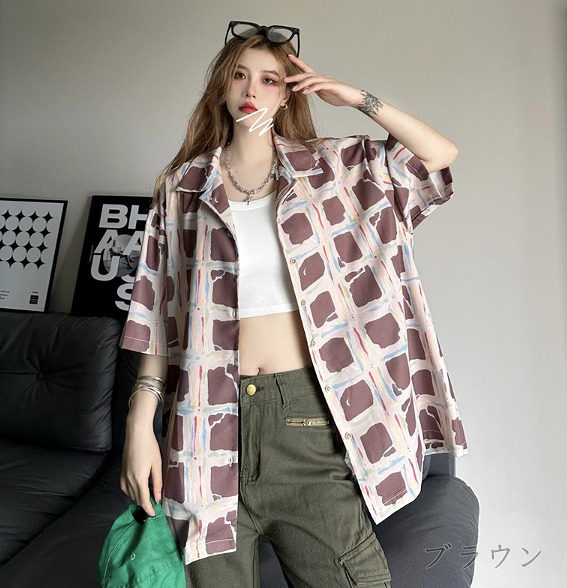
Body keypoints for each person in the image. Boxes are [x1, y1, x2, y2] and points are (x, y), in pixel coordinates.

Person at [119, 20, 468, 588]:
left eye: (269, 79)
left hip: (306, 416)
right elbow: (159, 311)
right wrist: (141, 422)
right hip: (206, 419)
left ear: (288, 94)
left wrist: (357, 98)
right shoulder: (182, 186)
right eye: (239, 75)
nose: (251, 89)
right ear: (222, 86)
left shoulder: (332, 169)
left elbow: (437, 156)